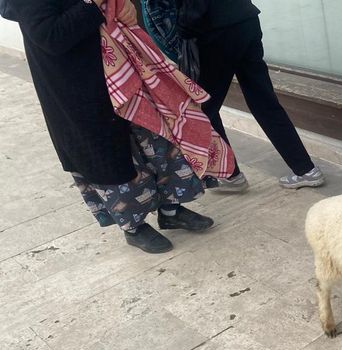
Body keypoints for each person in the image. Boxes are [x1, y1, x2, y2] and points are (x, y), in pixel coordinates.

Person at [15, 0, 216, 254]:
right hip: (79, 88)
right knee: (112, 160)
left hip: (124, 74)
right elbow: (50, 37)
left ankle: (171, 211)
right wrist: (96, 4)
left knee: (156, 141)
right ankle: (134, 228)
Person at [175, 0, 325, 192]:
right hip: (246, 20)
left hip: (214, 30)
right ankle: (306, 169)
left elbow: (194, 10)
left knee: (203, 108)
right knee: (264, 101)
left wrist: (183, 30)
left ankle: (231, 175)